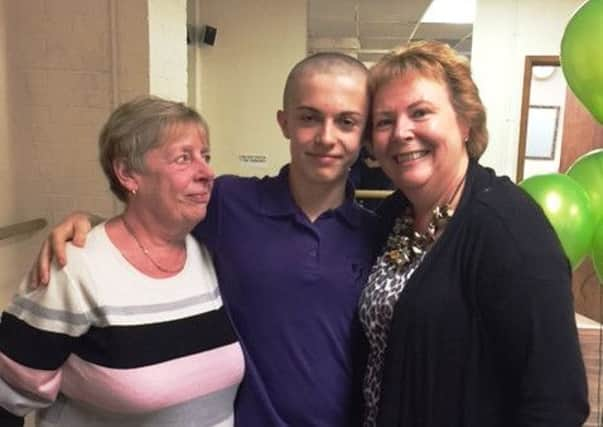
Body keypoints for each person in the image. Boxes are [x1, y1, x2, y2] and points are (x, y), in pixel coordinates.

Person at [31, 53, 378, 426]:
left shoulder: (378, 233)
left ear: (365, 133)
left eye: (346, 122)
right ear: (284, 123)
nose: (326, 137)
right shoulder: (228, 203)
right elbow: (152, 223)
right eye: (309, 117)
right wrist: (90, 224)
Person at [358, 40, 589, 426]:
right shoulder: (392, 216)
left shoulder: (509, 228)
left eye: (420, 113)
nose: (401, 132)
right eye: (384, 121)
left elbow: (556, 403)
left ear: (465, 122)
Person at [0, 97, 245, 426]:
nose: (207, 172)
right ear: (128, 173)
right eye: (184, 158)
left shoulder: (209, 252)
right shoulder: (75, 269)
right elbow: (7, 395)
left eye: (206, 156)